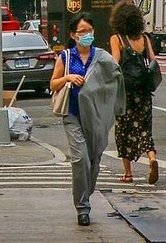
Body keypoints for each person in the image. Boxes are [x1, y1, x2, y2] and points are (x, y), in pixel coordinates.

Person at [49, 12, 125, 227]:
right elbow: (53, 84)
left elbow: (115, 76)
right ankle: (83, 208)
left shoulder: (101, 56)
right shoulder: (65, 57)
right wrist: (67, 78)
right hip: (72, 114)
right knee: (80, 159)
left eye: (89, 31)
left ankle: (86, 193)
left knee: (93, 160)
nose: (86, 35)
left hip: (96, 117)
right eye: (82, 32)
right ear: (73, 35)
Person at [109, 0, 159, 185]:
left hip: (125, 92)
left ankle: (128, 173)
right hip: (144, 92)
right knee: (145, 129)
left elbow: (115, 62)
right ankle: (152, 158)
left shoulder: (118, 39)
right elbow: (153, 60)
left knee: (123, 131)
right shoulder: (144, 38)